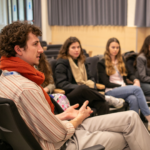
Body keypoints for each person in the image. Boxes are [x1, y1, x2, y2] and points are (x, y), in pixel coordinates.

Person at [0, 22, 150, 150]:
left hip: (60, 130)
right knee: (128, 135)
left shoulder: (6, 78)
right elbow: (57, 134)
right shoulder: (27, 89)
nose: (41, 49)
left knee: (131, 117)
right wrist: (79, 118)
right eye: (35, 44)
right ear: (18, 49)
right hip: (64, 142)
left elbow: (32, 125)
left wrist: (65, 115)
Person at [55, 37, 125, 115]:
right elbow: (61, 84)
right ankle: (106, 98)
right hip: (70, 95)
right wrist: (78, 87)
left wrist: (90, 85)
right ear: (67, 49)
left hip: (86, 93)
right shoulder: (62, 62)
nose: (77, 50)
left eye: (78, 47)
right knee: (83, 87)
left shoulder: (82, 61)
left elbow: (91, 78)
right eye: (73, 48)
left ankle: (103, 126)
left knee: (103, 104)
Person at [97, 37, 150, 130]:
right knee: (137, 89)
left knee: (133, 99)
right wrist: (123, 86)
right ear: (108, 48)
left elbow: (130, 74)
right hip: (111, 90)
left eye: (117, 47)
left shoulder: (121, 59)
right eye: (113, 47)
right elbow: (106, 83)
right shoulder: (101, 62)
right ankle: (149, 118)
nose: (115, 50)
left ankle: (134, 126)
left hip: (123, 89)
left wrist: (135, 80)